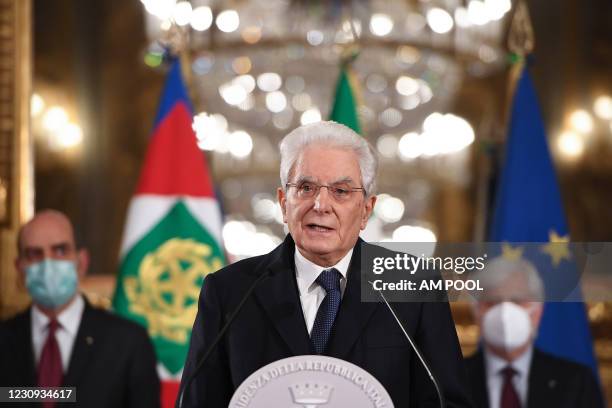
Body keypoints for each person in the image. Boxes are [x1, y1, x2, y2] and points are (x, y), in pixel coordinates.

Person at [178, 121, 473, 407]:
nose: (320, 204)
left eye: (341, 191)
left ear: (366, 210)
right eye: (306, 187)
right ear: (283, 203)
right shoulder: (230, 291)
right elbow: (198, 400)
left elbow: (447, 401)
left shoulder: (411, 285)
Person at [0, 210, 160, 408]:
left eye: (60, 251)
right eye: (35, 254)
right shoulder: (4, 340)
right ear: (19, 268)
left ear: (81, 262)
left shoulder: (128, 343)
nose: (48, 264)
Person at [465, 257, 604, 408]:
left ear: (537, 312)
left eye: (517, 302)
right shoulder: (453, 379)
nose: (505, 313)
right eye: (492, 302)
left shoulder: (577, 382)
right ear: (477, 312)